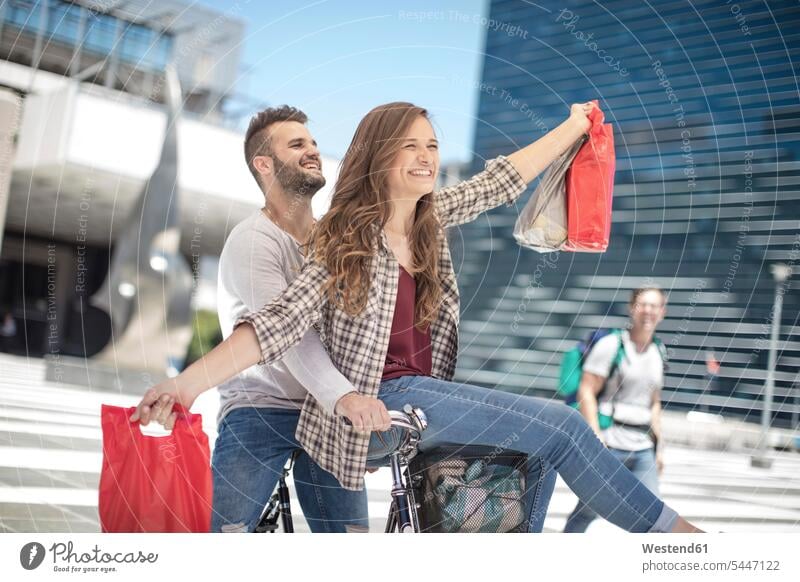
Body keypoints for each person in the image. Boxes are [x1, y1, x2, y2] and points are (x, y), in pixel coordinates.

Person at [134, 101, 702, 533]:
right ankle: (682, 537)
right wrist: (185, 385)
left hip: (413, 400)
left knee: (535, 454)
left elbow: (497, 182)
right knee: (564, 426)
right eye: (410, 146)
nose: (427, 156)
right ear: (380, 156)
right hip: (378, 402)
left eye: (432, 145)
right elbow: (279, 325)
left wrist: (574, 127)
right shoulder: (345, 236)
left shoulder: (428, 221)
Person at [564, 287, 669, 533]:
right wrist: (596, 435)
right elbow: (586, 391)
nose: (648, 311)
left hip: (643, 447)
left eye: (654, 306)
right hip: (610, 443)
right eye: (643, 304)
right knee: (588, 510)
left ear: (662, 312)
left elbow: (654, 402)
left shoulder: (658, 351)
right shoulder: (612, 345)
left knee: (654, 515)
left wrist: (660, 446)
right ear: (632, 308)